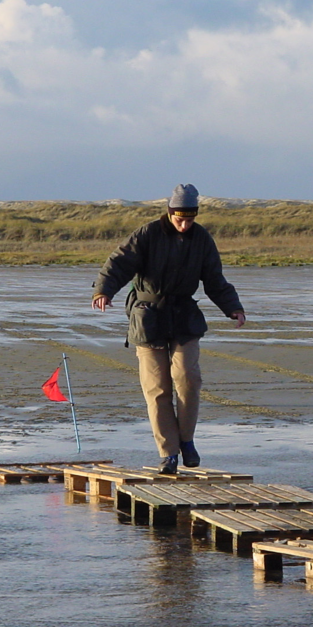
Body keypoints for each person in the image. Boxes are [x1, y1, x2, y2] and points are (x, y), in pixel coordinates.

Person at [91, 184, 245, 474]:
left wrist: (233, 306)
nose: (185, 225)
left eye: (190, 219)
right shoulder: (147, 234)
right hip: (148, 317)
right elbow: (118, 264)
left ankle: (186, 440)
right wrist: (103, 291)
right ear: (170, 212)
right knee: (157, 389)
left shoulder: (202, 239)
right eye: (179, 219)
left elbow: (214, 279)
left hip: (184, 316)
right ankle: (169, 454)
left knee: (188, 379)